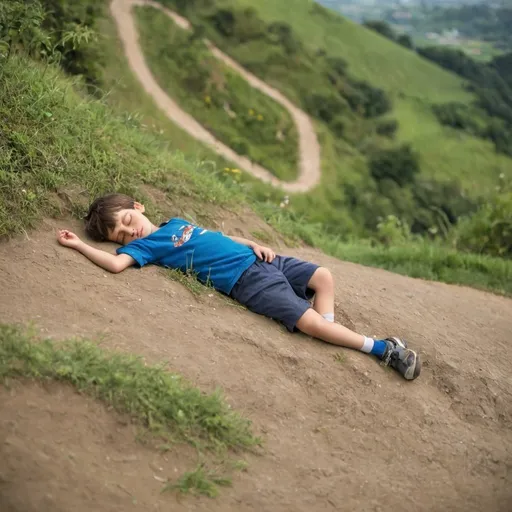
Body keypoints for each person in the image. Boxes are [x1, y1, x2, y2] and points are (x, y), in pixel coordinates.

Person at [57, 193, 421, 380]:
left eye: (127, 220)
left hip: (261, 260)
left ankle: (331, 327)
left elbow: (218, 236)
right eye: (119, 234)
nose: (128, 231)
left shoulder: (173, 222)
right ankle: (380, 349)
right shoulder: (143, 247)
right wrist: (80, 245)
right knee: (307, 322)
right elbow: (117, 264)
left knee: (323, 276)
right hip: (246, 281)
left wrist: (250, 242)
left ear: (138, 206)